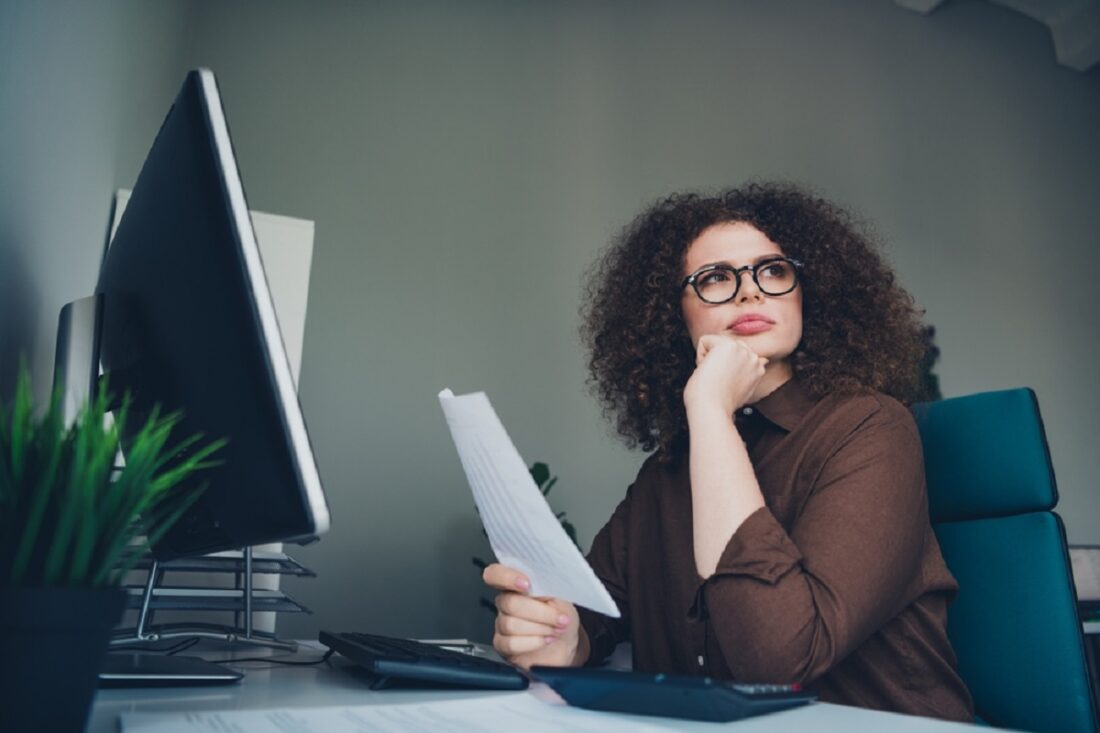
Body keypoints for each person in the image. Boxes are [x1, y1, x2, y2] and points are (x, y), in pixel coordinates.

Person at [482, 182, 973, 721]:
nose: (749, 292)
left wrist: (712, 409)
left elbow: (776, 658)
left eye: (774, 270)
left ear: (809, 293)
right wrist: (565, 639)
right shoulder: (664, 475)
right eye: (715, 278)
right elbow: (598, 612)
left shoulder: (871, 427)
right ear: (676, 316)